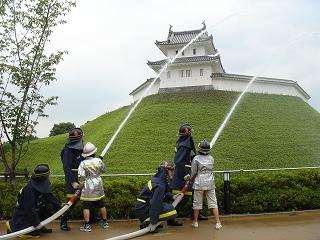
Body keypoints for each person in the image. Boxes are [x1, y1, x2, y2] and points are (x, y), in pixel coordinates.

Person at [6, 164, 62, 238]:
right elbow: (29, 208)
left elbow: (50, 197)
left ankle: (40, 227)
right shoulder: (29, 189)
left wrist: (60, 206)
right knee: (34, 233)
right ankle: (12, 227)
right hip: (23, 215)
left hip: (35, 210)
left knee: (49, 207)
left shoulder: (44, 184)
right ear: (43, 177)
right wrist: (36, 223)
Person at [171, 123, 208, 221]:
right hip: (183, 175)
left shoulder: (183, 144)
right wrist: (185, 175)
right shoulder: (184, 146)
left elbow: (185, 158)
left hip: (187, 172)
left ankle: (195, 214)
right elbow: (179, 161)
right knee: (182, 197)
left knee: (193, 194)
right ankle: (171, 217)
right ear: (188, 134)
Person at [134, 161, 180, 233]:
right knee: (170, 210)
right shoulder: (160, 184)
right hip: (144, 209)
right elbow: (155, 203)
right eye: (172, 170)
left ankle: (150, 221)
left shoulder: (158, 180)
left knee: (165, 205)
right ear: (166, 171)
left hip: (142, 207)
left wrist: (172, 197)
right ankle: (147, 223)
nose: (173, 172)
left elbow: (162, 194)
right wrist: (153, 222)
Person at [190, 139, 222, 229]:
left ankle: (195, 222)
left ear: (199, 149)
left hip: (199, 182)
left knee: (197, 203)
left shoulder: (196, 158)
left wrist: (190, 178)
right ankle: (218, 223)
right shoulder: (212, 158)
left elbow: (193, 172)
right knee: (213, 203)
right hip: (210, 182)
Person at [78, 142, 108, 232]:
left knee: (86, 206)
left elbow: (81, 177)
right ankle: (105, 222)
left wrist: (80, 185)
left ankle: (87, 226)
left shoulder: (82, 163)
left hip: (88, 185)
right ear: (94, 152)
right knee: (101, 204)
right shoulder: (99, 161)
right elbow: (103, 169)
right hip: (98, 183)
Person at [60, 127, 84, 231]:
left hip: (81, 176)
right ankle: (63, 221)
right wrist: (72, 181)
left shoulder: (79, 149)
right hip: (73, 178)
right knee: (72, 201)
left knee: (89, 199)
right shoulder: (67, 151)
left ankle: (91, 218)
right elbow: (66, 167)